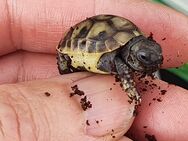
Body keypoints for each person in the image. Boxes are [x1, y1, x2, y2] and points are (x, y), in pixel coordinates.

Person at [0, 0, 188, 141]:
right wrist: (130, 88)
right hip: (81, 46)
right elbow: (120, 65)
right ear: (133, 52)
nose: (153, 62)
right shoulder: (118, 58)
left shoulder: (134, 40)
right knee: (108, 66)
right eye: (143, 59)